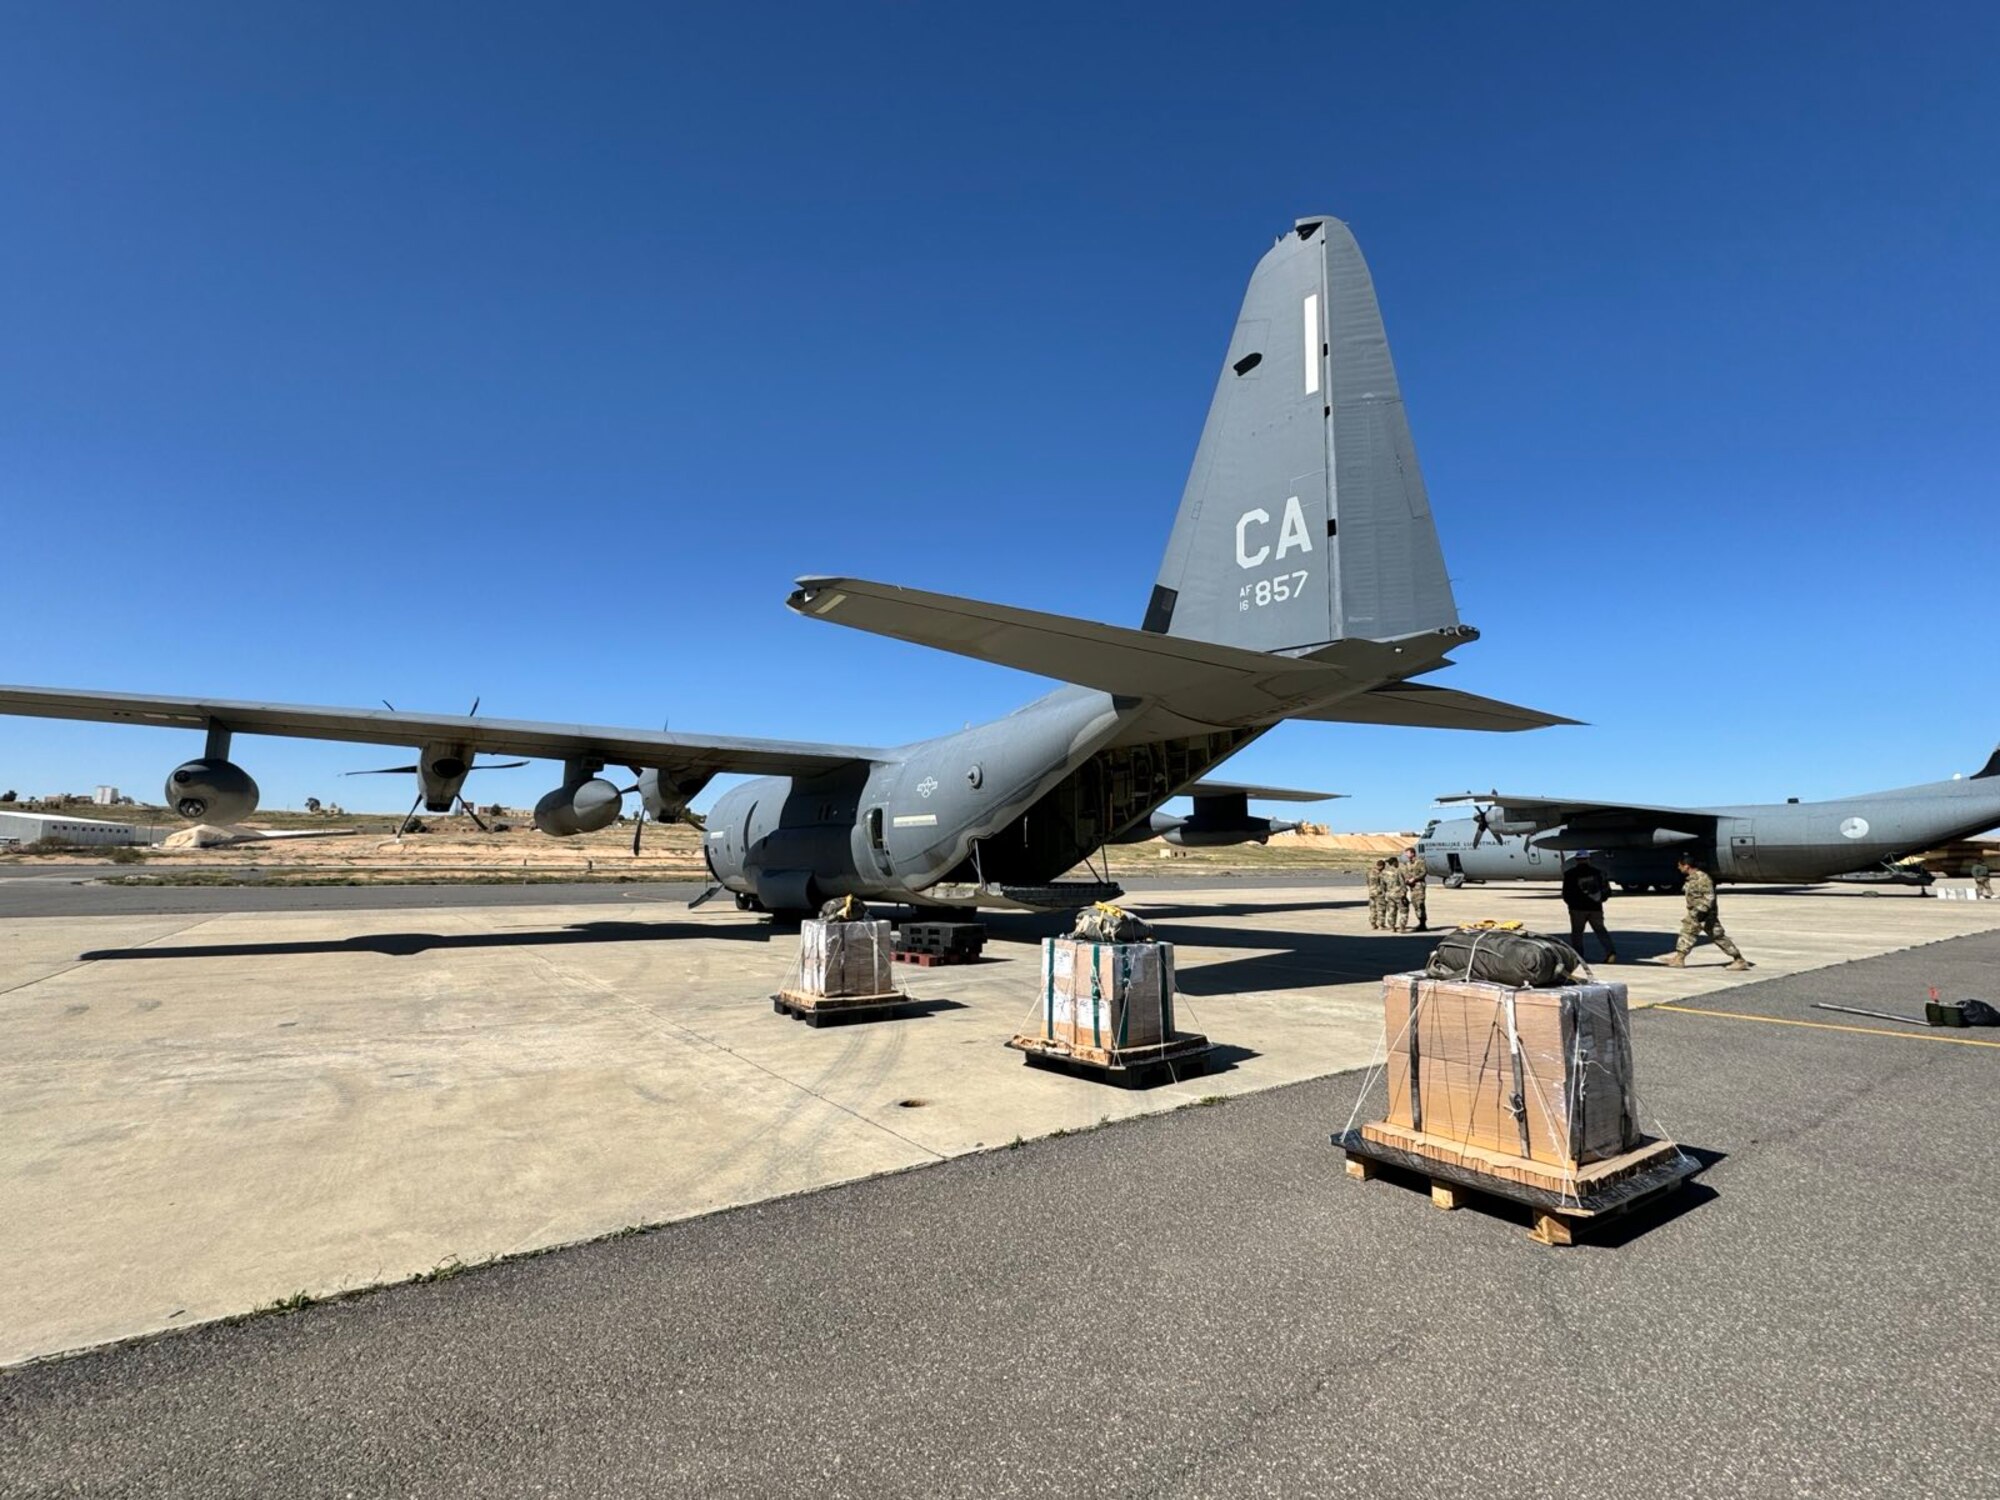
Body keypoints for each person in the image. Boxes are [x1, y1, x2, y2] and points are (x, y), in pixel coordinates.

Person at [1662, 853, 1751, 970]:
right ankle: (1679, 958)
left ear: (1686, 866)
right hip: (1697, 914)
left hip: (1705, 915)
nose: (1679, 868)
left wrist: (1698, 912)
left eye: (1680, 866)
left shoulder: (1702, 878)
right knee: (1687, 933)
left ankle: (1739, 960)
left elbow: (1709, 898)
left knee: (1718, 937)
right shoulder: (1692, 878)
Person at [1561, 852, 1617, 963]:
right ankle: (1610, 952)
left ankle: (1579, 956)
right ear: (1589, 859)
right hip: (1595, 908)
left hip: (1577, 909)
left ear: (1576, 860)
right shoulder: (1598, 873)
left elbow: (1566, 893)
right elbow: (1607, 891)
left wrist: (1571, 904)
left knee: (1577, 933)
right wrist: (1600, 900)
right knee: (1601, 931)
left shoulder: (1570, 874)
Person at [1400, 847, 1430, 933]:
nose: (1406, 855)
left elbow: (1423, 872)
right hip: (1412, 887)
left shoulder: (1420, 862)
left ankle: (1423, 923)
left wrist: (1415, 878)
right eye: (1406, 853)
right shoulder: (1408, 863)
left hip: (1419, 886)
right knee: (1415, 904)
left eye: (1408, 853)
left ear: (1413, 853)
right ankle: (1420, 923)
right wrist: (1407, 879)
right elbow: (1407, 873)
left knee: (1420, 904)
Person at [1365, 859, 1388, 930]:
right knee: (1381, 908)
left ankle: (1373, 923)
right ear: (1381, 866)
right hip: (1379, 892)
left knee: (1373, 908)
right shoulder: (1381, 874)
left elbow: (1368, 882)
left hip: (1371, 892)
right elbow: (1384, 883)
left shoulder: (1369, 872)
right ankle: (1381, 924)